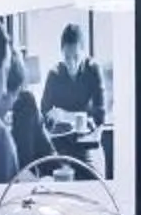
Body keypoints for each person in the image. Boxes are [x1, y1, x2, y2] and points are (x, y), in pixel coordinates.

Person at [39, 22, 109, 176]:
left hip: (88, 146)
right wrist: (51, 117)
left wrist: (64, 115)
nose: (71, 64)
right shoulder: (54, 74)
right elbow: (43, 111)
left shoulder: (93, 70)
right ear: (61, 52)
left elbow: (101, 116)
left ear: (84, 52)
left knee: (96, 181)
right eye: (67, 57)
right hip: (61, 147)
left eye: (76, 57)